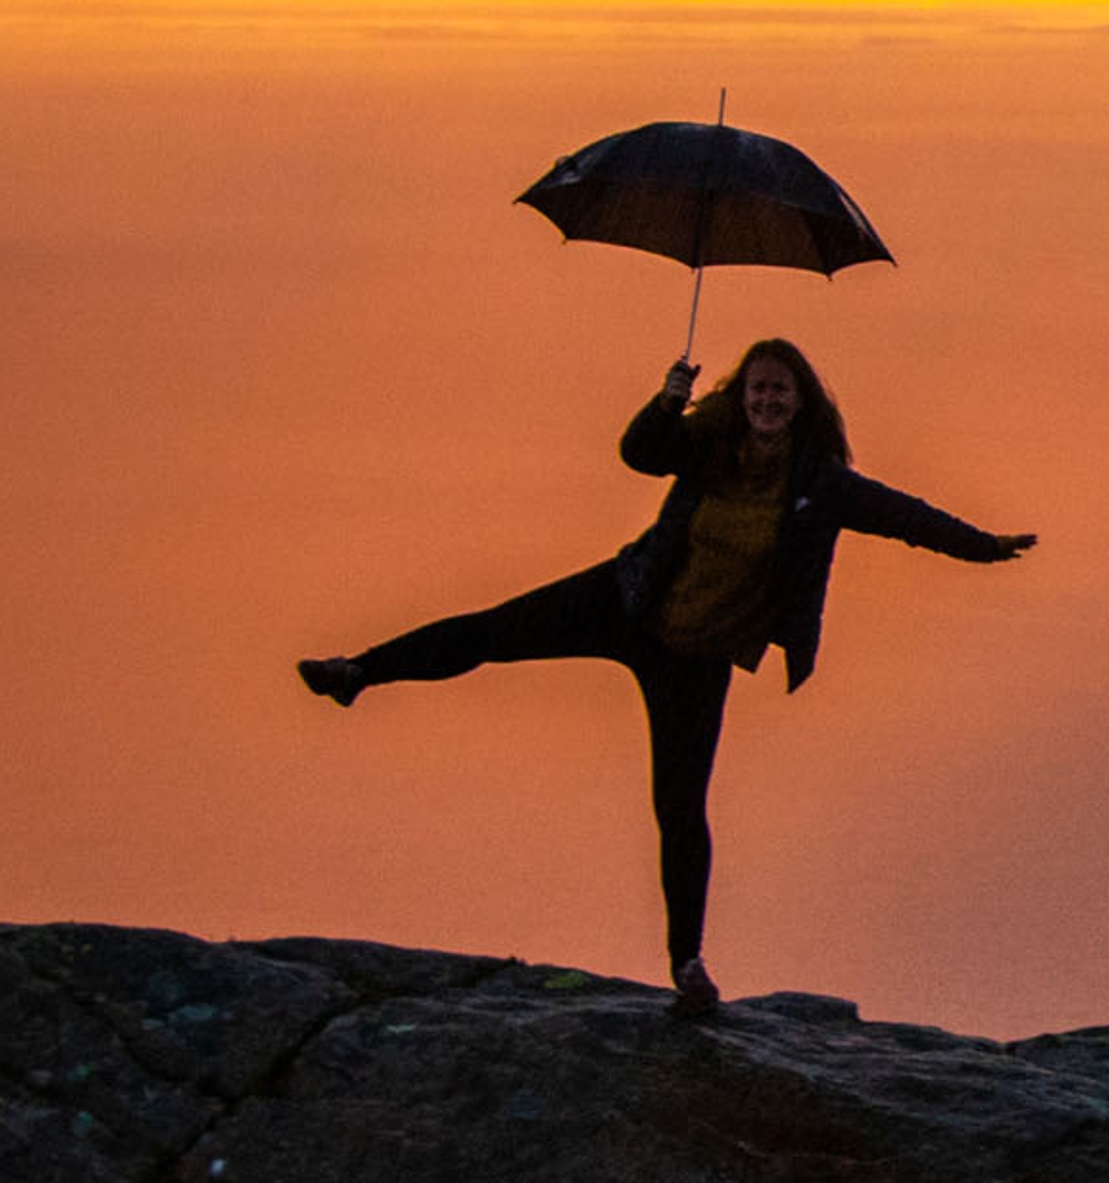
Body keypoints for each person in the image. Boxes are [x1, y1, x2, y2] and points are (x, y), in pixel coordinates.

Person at [297, 339, 1034, 1019]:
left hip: (697, 658)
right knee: (492, 632)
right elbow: (640, 453)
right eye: (757, 390)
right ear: (740, 395)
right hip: (628, 600)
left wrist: (983, 546)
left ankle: (688, 966)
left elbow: (906, 516)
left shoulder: (821, 484)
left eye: (780, 392)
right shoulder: (708, 446)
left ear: (803, 402)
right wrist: (668, 396)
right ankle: (358, 670)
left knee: (680, 809)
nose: (767, 402)